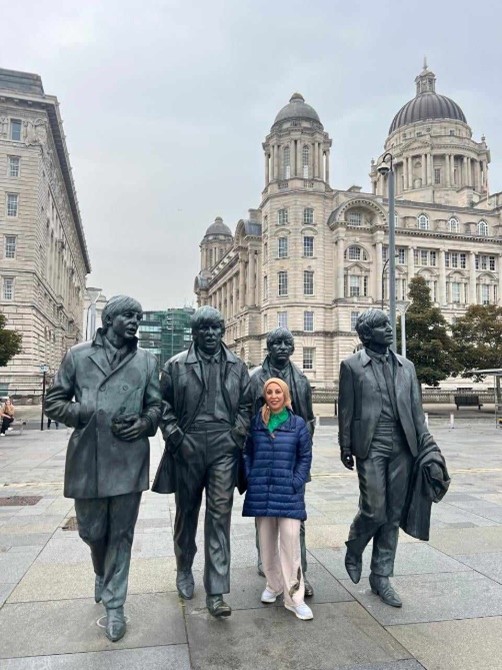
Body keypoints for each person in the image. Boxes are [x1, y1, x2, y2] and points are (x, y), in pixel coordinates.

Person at [45, 295, 161, 641]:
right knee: (92, 532)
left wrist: (144, 424)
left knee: (122, 535)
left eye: (138, 317)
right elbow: (54, 401)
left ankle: (115, 606)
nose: (134, 322)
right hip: (88, 457)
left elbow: (156, 407)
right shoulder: (78, 356)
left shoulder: (147, 360)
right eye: (128, 315)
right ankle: (101, 570)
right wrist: (82, 414)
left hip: (129, 457)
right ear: (109, 320)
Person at [153, 306, 251, 618]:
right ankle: (184, 568)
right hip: (189, 443)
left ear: (223, 331)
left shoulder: (238, 366)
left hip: (224, 445)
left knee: (220, 516)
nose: (210, 334)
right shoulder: (175, 365)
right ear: (194, 333)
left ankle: (217, 590)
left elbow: (248, 404)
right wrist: (174, 435)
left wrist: (237, 435)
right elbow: (162, 404)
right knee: (187, 513)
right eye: (204, 329)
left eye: (215, 328)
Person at [338, 308, 428, 607]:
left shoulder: (407, 366)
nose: (388, 329)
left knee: (392, 513)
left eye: (388, 324)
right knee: (374, 509)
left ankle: (381, 576)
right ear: (365, 335)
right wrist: (345, 446)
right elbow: (347, 411)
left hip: (403, 445)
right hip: (371, 443)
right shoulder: (352, 366)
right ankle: (355, 545)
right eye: (380, 326)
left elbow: (416, 411)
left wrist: (426, 446)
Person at [249, 327, 315, 596]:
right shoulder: (255, 379)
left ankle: (300, 575)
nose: (282, 348)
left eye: (287, 343)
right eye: (276, 343)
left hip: (290, 461)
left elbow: (309, 420)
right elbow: (246, 420)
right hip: (264, 460)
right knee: (264, 518)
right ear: (269, 347)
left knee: (295, 521)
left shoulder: (300, 379)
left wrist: (300, 460)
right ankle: (267, 564)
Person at [243, 378, 313, 620]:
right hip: (262, 490)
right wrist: (250, 475)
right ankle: (273, 585)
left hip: (288, 492)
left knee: (291, 543)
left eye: (278, 392)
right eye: (269, 392)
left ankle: (294, 597)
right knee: (266, 543)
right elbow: (247, 452)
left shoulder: (298, 424)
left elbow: (305, 456)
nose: (273, 396)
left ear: (285, 395)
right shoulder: (257, 422)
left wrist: (296, 481)